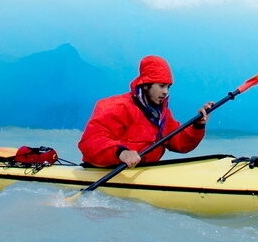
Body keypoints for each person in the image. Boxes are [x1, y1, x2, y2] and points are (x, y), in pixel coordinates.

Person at [78, 55, 214, 168]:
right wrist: (121, 153)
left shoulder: (163, 114)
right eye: (161, 86)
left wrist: (198, 125)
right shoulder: (116, 106)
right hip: (103, 171)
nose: (166, 92)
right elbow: (90, 142)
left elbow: (180, 144)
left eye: (168, 87)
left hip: (143, 172)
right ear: (147, 85)